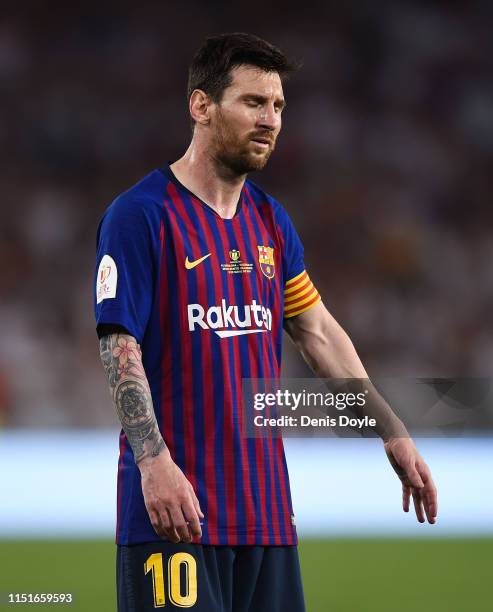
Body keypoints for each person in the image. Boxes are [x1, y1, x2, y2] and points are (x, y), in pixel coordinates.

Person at [94, 32, 438, 612]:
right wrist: (154, 463)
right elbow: (118, 344)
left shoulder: (271, 223)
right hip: (175, 513)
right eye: (253, 102)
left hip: (267, 513)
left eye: (278, 106)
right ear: (201, 106)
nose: (271, 120)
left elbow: (318, 331)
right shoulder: (140, 215)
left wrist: (392, 429)